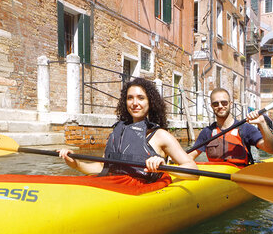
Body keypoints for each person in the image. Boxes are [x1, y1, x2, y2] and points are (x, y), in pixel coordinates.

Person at [58, 77, 198, 183]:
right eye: (130, 98)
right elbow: (102, 167)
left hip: (141, 191)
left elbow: (193, 171)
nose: (134, 103)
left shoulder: (161, 135)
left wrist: (163, 167)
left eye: (141, 98)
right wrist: (75, 163)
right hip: (114, 187)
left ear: (150, 103)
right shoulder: (117, 133)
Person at [188, 88, 273, 166]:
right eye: (216, 104)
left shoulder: (245, 129)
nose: (220, 106)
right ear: (211, 106)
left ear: (230, 104)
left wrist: (262, 124)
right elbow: (189, 157)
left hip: (240, 177)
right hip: (215, 179)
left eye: (224, 103)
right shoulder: (207, 132)